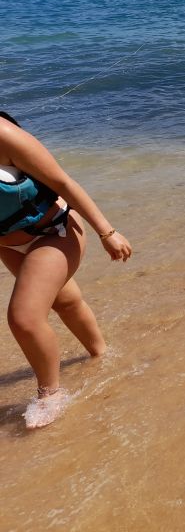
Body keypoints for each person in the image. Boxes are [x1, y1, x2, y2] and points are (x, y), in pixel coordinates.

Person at [0, 112, 132, 429]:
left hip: (54, 233)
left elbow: (62, 181)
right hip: (7, 243)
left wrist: (107, 232)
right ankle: (102, 356)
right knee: (66, 301)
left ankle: (50, 394)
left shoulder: (4, 135)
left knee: (24, 317)